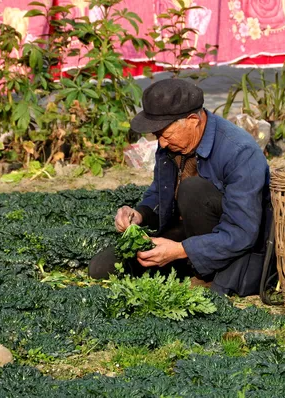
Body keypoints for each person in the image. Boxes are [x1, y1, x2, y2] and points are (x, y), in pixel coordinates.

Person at [89, 79, 271, 296]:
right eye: (158, 136)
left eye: (165, 135)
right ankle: (188, 266)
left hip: (232, 247)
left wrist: (180, 250)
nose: (162, 143)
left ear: (192, 120)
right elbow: (159, 193)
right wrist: (139, 215)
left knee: (192, 190)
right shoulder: (171, 145)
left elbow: (242, 233)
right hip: (186, 236)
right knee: (102, 267)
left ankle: (206, 276)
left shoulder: (240, 152)